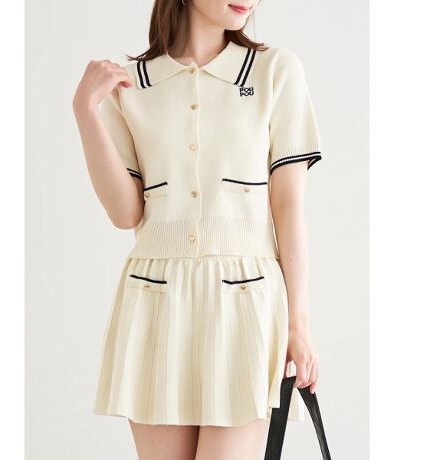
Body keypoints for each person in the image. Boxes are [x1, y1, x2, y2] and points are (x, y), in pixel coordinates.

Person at [72, 0, 322, 458]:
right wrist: (86, 110)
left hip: (246, 303)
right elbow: (125, 213)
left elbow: (288, 206)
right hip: (154, 303)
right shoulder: (132, 85)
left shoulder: (275, 70)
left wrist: (298, 325)